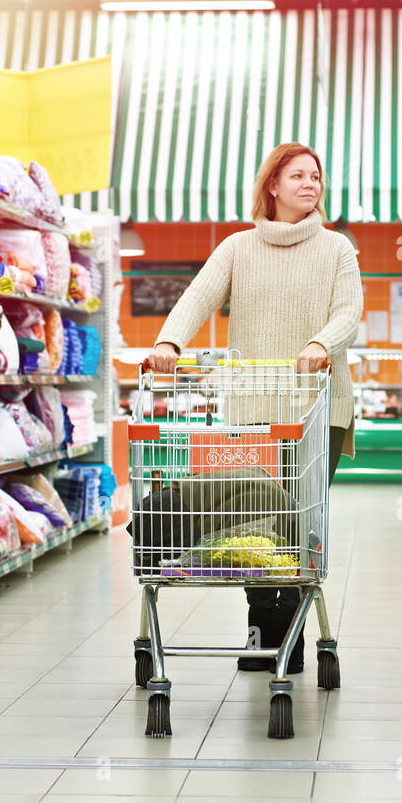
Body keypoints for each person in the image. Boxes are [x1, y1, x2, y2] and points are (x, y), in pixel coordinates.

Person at [146, 142, 363, 673]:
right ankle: (261, 622)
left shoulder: (338, 249)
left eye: (316, 176)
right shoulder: (238, 247)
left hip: (317, 409)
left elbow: (350, 311)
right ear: (272, 185)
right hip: (251, 411)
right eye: (297, 176)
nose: (310, 184)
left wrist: (319, 343)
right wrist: (169, 342)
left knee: (298, 517)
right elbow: (198, 295)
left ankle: (289, 629)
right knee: (255, 517)